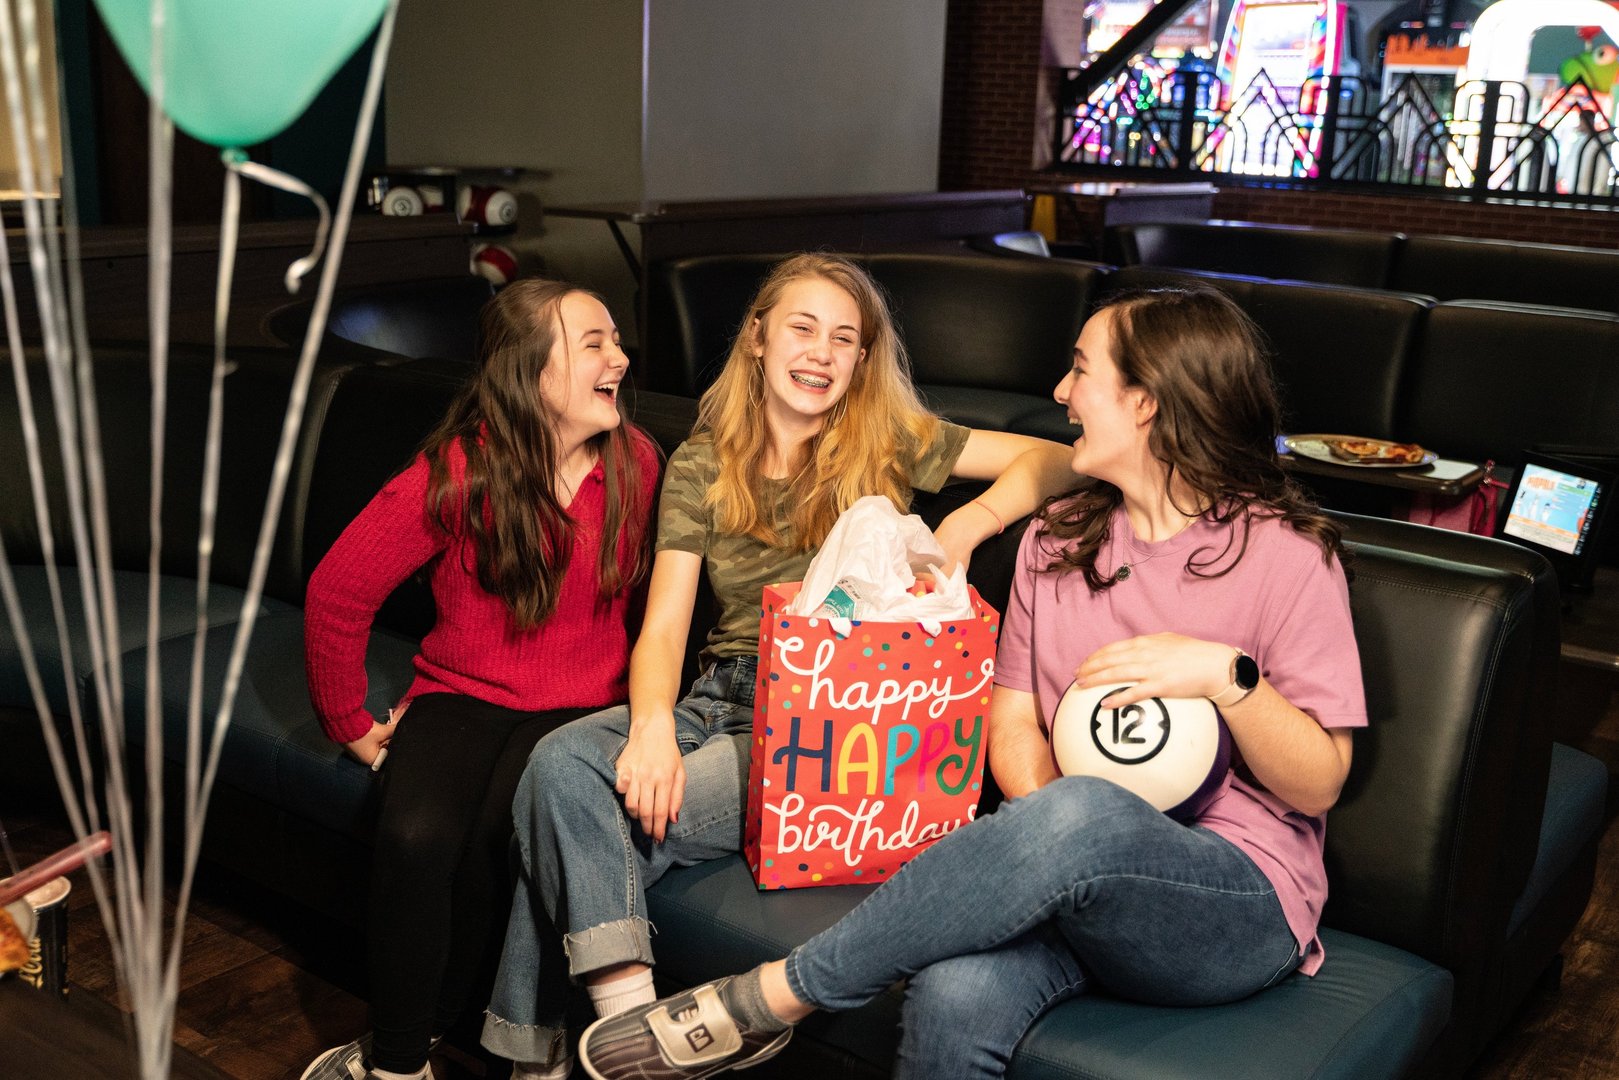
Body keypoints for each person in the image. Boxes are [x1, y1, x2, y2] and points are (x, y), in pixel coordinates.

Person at [573, 285, 1367, 1080]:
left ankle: (775, 998)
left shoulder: (1286, 557)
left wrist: (1227, 679)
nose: (1059, 393)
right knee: (952, 993)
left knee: (1085, 809)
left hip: (1233, 897)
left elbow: (1320, 783)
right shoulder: (1055, 545)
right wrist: (1054, 840)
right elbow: (1013, 726)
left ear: (1146, 401)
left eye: (1080, 372)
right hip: (1076, 891)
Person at [480, 253, 1077, 1079]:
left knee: (567, 814)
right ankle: (641, 1026)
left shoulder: (888, 440)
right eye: (801, 328)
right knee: (560, 762)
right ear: (757, 337)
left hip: (823, 730)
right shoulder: (699, 462)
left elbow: (1060, 460)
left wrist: (970, 524)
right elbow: (663, 627)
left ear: (862, 360)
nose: (821, 353)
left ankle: (542, 1057)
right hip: (714, 698)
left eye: (845, 339)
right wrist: (651, 727)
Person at [299, 280, 661, 1080]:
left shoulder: (635, 464)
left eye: (615, 340)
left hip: (581, 714)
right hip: (460, 693)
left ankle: (453, 1034)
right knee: (413, 835)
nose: (620, 359)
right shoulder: (460, 470)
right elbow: (337, 591)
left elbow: (658, 615)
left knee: (495, 839)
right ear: (531, 373)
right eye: (594, 343)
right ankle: (397, 1063)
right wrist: (349, 722)